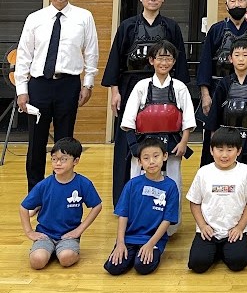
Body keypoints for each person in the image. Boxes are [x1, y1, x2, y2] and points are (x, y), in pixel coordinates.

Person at [102, 0, 189, 206]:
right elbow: (116, 60)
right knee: (127, 141)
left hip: (165, 89)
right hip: (130, 85)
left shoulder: (171, 27)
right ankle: (125, 199)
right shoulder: (128, 26)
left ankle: (164, 199)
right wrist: (115, 91)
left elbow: (179, 63)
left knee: (165, 140)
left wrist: (179, 96)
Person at [15, 0, 99, 191]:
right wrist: (22, 90)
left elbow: (91, 52)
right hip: (39, 85)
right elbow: (24, 56)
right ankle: (35, 192)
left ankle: (60, 190)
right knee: (36, 142)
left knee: (64, 141)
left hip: (68, 85)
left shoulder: (84, 17)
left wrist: (88, 83)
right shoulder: (35, 19)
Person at [119, 40, 195, 234]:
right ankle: (138, 224)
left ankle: (169, 228)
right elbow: (128, 121)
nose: (164, 62)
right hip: (143, 145)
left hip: (171, 144)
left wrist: (184, 142)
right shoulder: (141, 86)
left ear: (174, 62)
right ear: (151, 60)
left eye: (168, 58)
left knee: (173, 182)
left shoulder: (179, 87)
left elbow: (188, 119)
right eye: (160, 58)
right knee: (138, 183)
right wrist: (135, 148)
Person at [203, 38, 247, 240]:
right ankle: (224, 221)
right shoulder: (224, 83)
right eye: (237, 55)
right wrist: (215, 143)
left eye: (245, 55)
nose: (241, 59)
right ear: (230, 58)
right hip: (227, 139)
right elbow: (214, 115)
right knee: (227, 179)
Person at [197, 0, 247, 161]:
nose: (237, 4)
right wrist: (206, 95)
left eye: (241, 0)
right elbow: (205, 64)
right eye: (233, 1)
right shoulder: (216, 30)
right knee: (215, 140)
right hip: (218, 91)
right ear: (226, 5)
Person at [186, 127, 247, 274]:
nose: (224, 155)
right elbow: (194, 202)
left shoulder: (245, 171)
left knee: (238, 263)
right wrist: (202, 226)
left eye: (230, 150)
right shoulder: (204, 172)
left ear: (239, 151)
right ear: (211, 150)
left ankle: (223, 250)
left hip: (233, 231)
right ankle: (216, 250)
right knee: (197, 265)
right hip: (208, 231)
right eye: (220, 150)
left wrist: (240, 227)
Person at [19, 137, 102, 270]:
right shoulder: (44, 185)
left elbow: (97, 206)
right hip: (45, 234)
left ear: (76, 161)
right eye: (54, 159)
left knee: (66, 258)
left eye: (63, 159)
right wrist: (29, 232)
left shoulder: (83, 183)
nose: (58, 163)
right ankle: (48, 250)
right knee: (37, 262)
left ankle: (61, 251)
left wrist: (79, 230)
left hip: (68, 235)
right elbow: (23, 207)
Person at [104, 137, 180, 275]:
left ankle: (141, 254)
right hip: (129, 237)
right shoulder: (132, 184)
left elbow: (167, 220)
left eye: (156, 156)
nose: (151, 161)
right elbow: (123, 214)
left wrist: (150, 244)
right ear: (139, 162)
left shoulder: (171, 186)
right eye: (146, 158)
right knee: (113, 268)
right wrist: (120, 243)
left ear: (165, 156)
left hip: (153, 239)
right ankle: (132, 253)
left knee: (142, 267)